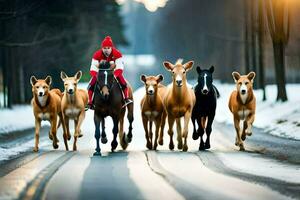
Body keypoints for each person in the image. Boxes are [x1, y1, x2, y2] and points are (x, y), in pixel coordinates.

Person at [87, 36, 132, 109]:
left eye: (108, 48)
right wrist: (96, 75)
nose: (106, 50)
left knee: (123, 83)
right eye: (104, 48)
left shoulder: (117, 54)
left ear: (112, 48)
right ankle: (90, 102)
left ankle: (126, 98)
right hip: (100, 73)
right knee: (91, 84)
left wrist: (114, 75)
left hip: (114, 72)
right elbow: (93, 68)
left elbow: (120, 67)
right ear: (102, 48)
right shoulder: (97, 54)